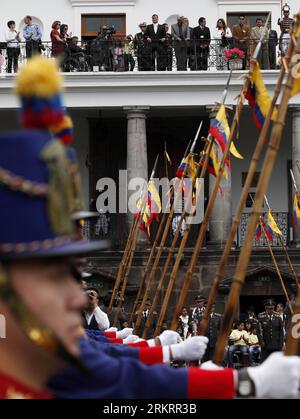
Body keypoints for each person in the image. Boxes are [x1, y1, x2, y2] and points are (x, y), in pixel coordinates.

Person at [1, 57, 300, 400]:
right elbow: (112, 373)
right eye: (53, 277)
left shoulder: (43, 361)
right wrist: (244, 385)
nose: (77, 296)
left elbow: (112, 371)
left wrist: (172, 355)